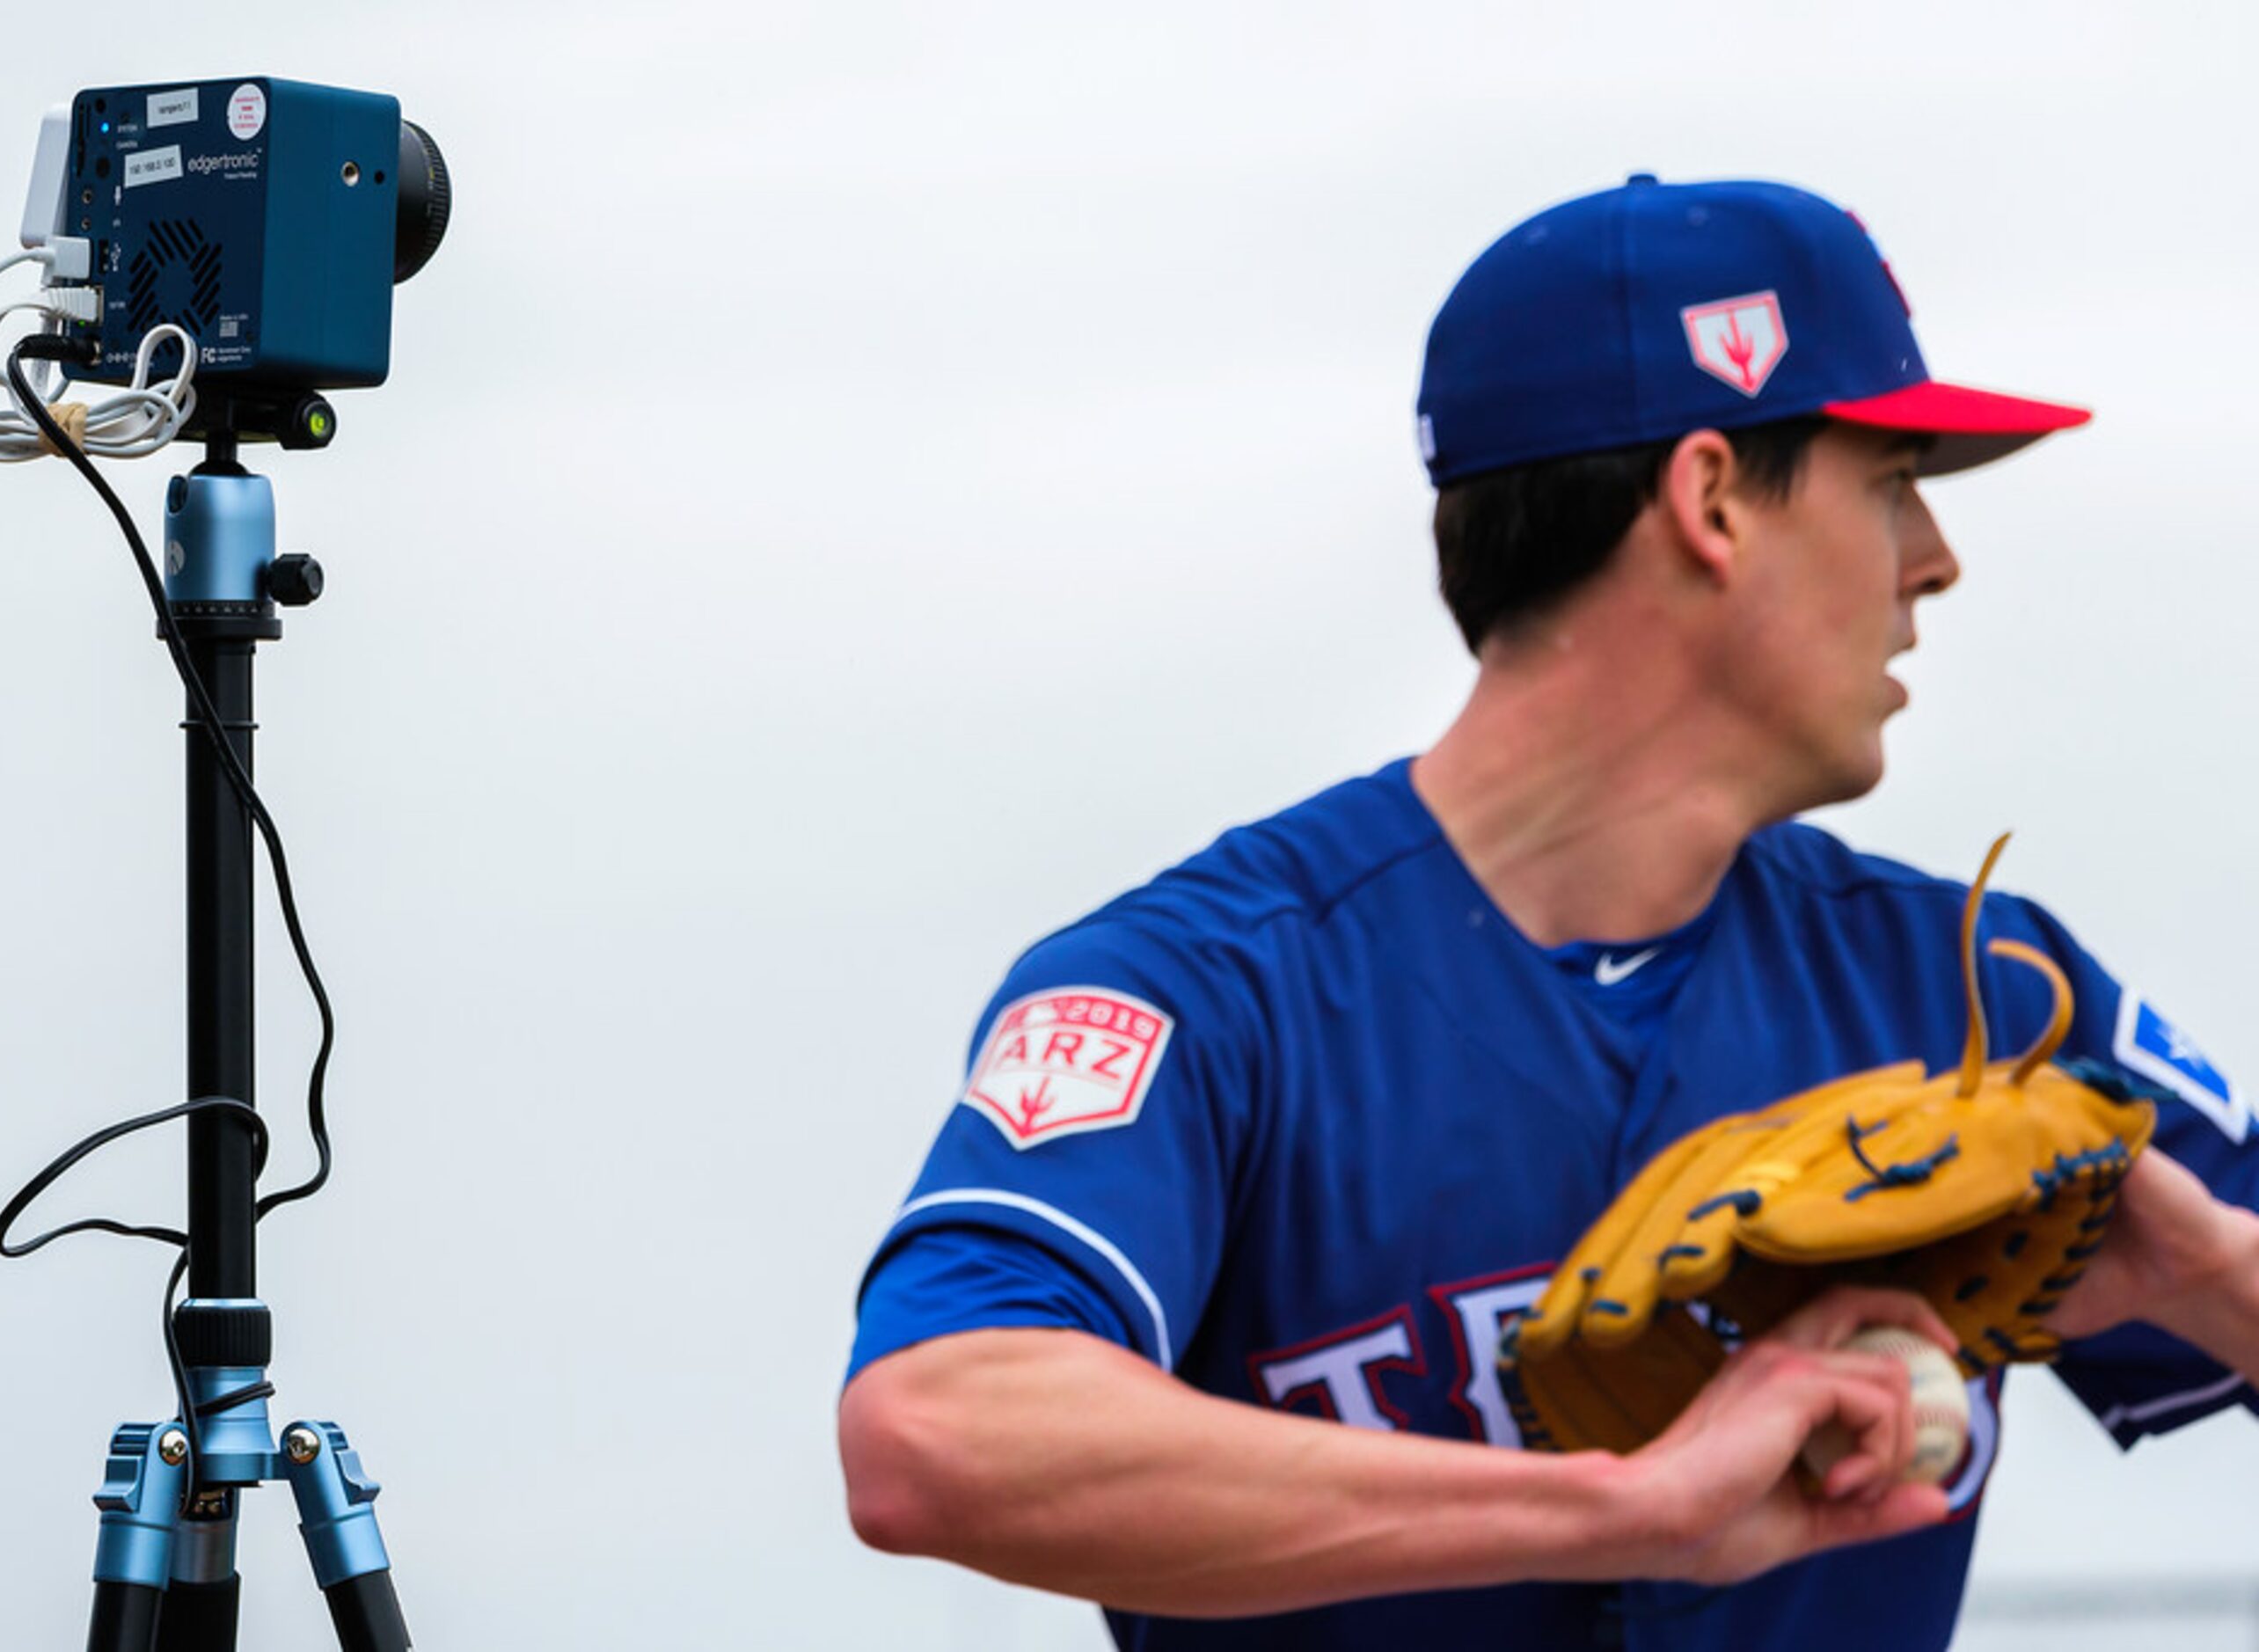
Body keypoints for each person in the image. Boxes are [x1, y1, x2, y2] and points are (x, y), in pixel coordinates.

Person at [835, 176, 2259, 1650]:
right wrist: (1632, 1509)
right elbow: (933, 1428)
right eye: (1891, 480)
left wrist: (2216, 1279)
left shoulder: (1971, 988)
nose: (1934, 562)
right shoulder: (1212, 988)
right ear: (1711, 497)